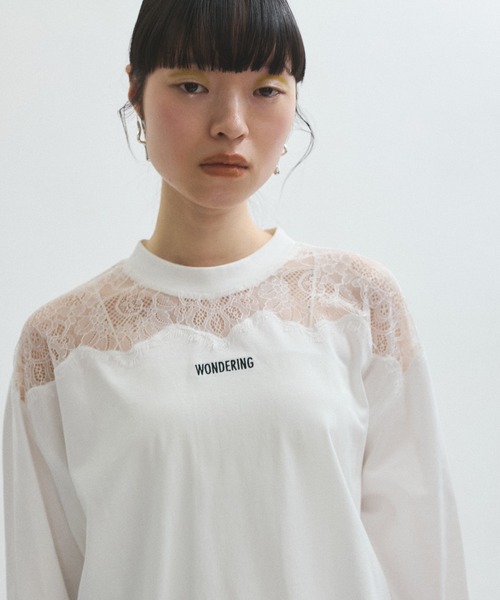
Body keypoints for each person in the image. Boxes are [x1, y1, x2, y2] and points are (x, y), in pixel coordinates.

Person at [3, 0, 469, 598]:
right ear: (136, 91)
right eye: (192, 86)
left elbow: (425, 565)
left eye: (265, 90)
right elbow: (40, 580)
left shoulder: (358, 305)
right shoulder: (62, 346)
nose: (231, 124)